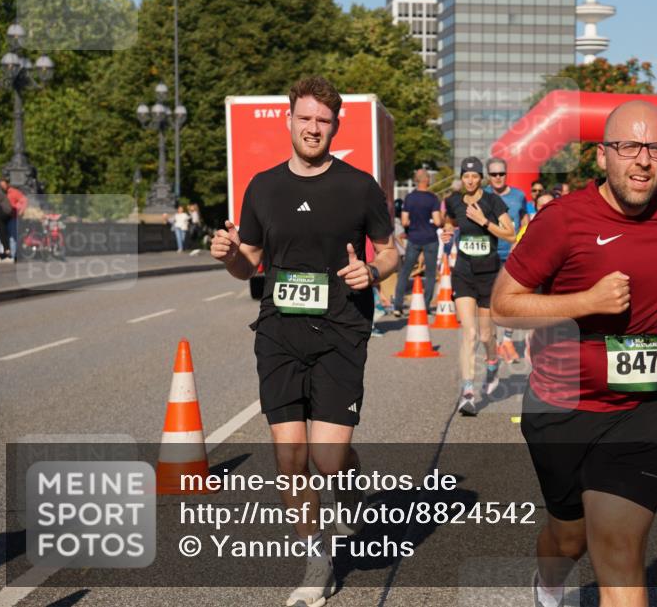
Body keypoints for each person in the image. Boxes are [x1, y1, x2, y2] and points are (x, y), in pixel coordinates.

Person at [492, 101, 657, 607]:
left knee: (617, 547)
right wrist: (585, 302)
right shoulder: (562, 221)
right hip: (562, 408)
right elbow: (503, 305)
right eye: (628, 147)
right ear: (602, 157)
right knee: (568, 539)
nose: (642, 160)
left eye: (656, 148)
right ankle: (548, 585)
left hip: (642, 409)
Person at [210, 76, 398, 607]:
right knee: (290, 455)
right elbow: (247, 263)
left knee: (329, 459)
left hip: (341, 331)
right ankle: (317, 560)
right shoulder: (262, 187)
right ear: (289, 120)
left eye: (324, 121)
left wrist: (373, 271)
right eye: (306, 118)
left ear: (334, 127)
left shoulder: (360, 187)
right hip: (278, 332)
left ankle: (350, 477)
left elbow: (389, 250)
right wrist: (228, 254)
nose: (313, 128)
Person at [442, 156, 515, 415]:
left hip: (489, 275)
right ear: (461, 178)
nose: (470, 180)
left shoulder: (492, 201)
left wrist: (485, 221)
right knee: (469, 333)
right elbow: (449, 222)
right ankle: (468, 391)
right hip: (463, 273)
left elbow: (511, 233)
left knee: (486, 336)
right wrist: (448, 232)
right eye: (466, 176)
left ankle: (493, 362)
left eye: (474, 176)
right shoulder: (453, 201)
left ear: (481, 178)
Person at [484, 156, 530, 364]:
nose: (498, 177)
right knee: (489, 303)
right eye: (493, 174)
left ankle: (507, 341)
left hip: (511, 254)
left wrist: (520, 241)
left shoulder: (518, 196)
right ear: (488, 176)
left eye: (501, 173)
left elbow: (525, 220)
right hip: (487, 255)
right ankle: (492, 343)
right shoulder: (481, 195)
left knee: (511, 300)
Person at [392, 169, 442, 315]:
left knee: (405, 272)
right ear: (426, 180)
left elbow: (404, 221)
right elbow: (438, 221)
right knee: (431, 274)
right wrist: (433, 223)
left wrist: (413, 224)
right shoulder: (433, 198)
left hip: (414, 239)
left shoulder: (409, 198)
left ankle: (398, 307)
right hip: (430, 239)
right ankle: (425, 307)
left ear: (416, 180)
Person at [0, 179, 27, 260]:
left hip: (13, 217)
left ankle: (13, 255)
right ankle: (6, 254)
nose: (3, 187)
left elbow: (24, 200)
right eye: (1, 185)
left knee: (12, 237)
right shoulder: (0, 193)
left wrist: (21, 211)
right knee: (5, 236)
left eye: (4, 185)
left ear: (7, 184)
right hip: (3, 218)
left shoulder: (14, 192)